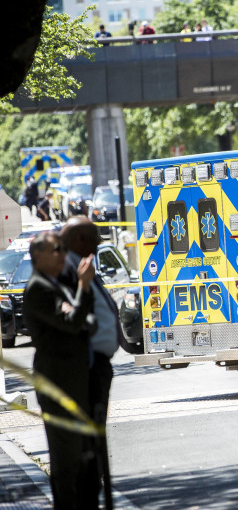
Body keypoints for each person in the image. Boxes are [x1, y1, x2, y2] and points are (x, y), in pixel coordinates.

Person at [24, 231, 97, 509]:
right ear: (39, 255)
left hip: (71, 380)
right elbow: (74, 321)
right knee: (65, 457)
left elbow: (82, 318)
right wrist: (83, 284)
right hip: (58, 382)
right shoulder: (39, 288)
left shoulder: (52, 284)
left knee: (77, 454)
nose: (63, 254)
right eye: (57, 249)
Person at [59, 217, 121, 504]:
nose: (99, 243)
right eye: (95, 237)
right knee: (87, 443)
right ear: (80, 240)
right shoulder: (68, 268)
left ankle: (92, 493)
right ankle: (87, 496)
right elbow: (73, 315)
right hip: (87, 365)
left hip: (98, 364)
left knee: (95, 441)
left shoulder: (82, 264)